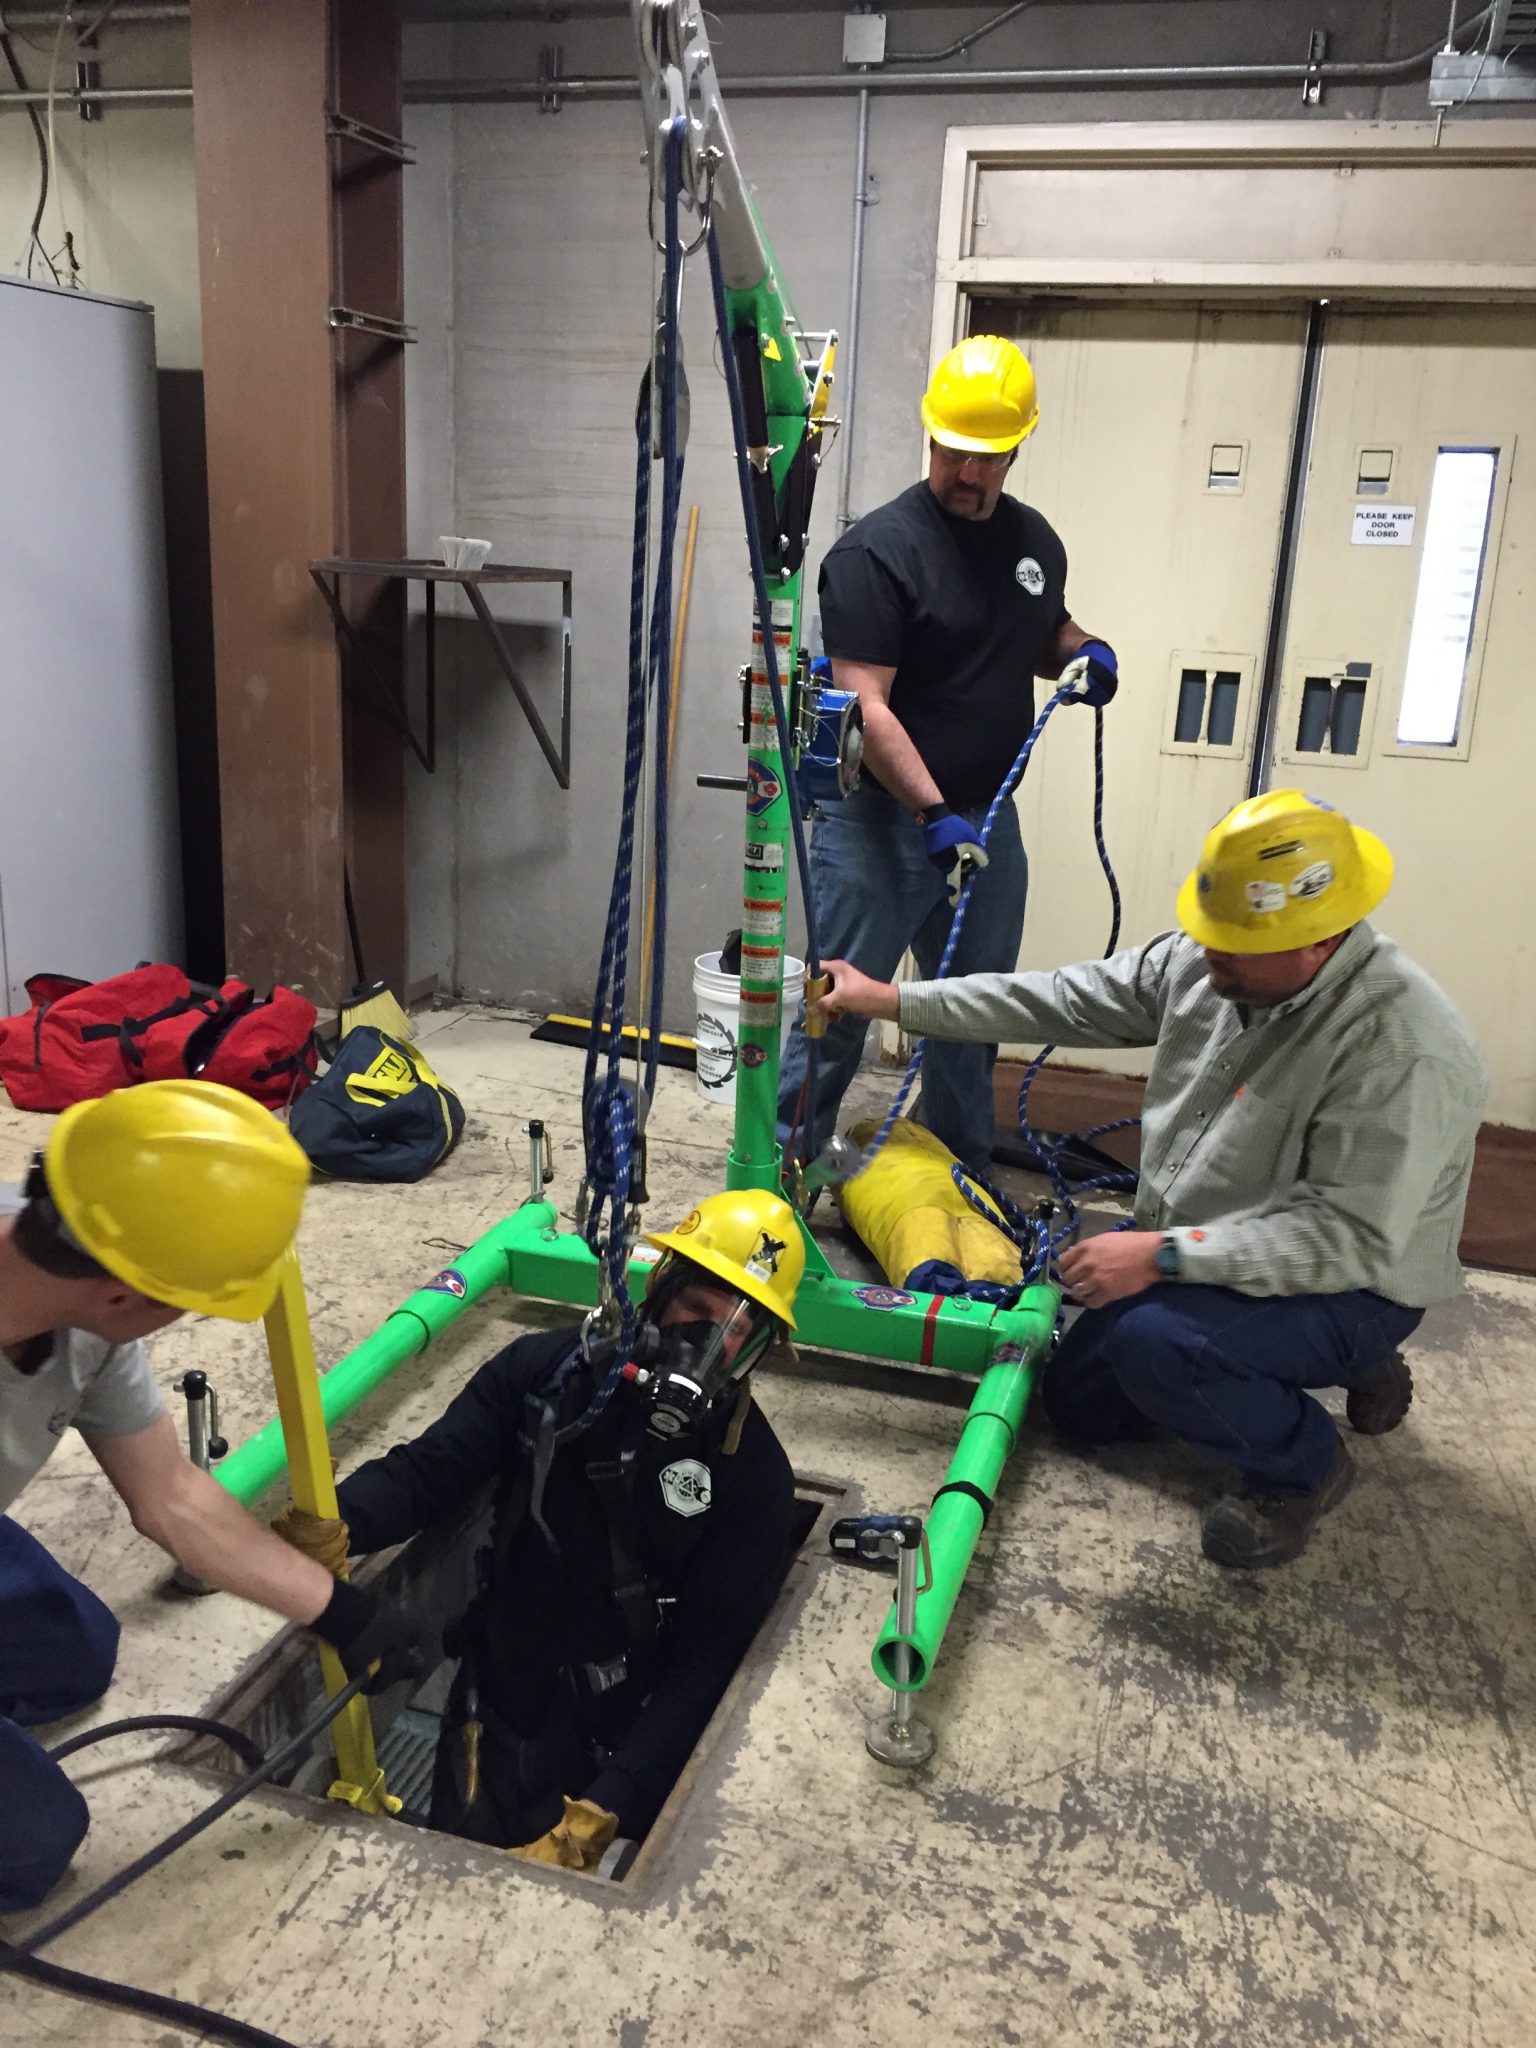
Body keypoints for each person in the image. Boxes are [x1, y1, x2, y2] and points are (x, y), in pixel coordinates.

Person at [810, 792, 1487, 1569]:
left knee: (1160, 1351)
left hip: (1349, 1282)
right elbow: (1064, 998)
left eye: (1232, 943)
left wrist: (1160, 1257)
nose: (1207, 958)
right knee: (1077, 1404)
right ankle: (1276, 1358)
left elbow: (1343, 1239)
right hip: (1212, 1235)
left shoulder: (1400, 1050)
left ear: (1320, 940)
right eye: (1207, 934)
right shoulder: (1218, 963)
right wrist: (892, 999)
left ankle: (1304, 1461)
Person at [277, 1188, 802, 1867]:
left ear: (759, 1348)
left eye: (735, 1329)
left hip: (616, 1730)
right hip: (496, 1695)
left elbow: (709, 1664)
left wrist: (613, 1803)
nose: (705, 1341)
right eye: (696, 1309)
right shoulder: (548, 1376)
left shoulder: (752, 1478)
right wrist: (339, 1519)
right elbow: (429, 1474)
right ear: (658, 1287)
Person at [0, 1081, 422, 1914]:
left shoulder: (87, 1284)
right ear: (126, 1296)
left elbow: (172, 1499)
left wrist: (343, 1610)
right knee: (33, 1847)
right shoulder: (107, 1297)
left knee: (74, 1654)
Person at [778, 332, 1119, 1177]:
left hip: (989, 825)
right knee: (836, 1012)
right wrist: (933, 816)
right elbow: (866, 702)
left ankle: (957, 1176)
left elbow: (1037, 635)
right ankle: (779, 1173)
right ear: (932, 437)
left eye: (989, 458)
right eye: (955, 453)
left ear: (1014, 449)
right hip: (883, 829)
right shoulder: (877, 554)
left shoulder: (1033, 543)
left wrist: (1085, 647)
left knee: (968, 1018)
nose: (969, 475)